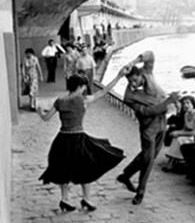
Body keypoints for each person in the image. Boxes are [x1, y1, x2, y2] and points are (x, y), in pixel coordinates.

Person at [37, 69, 127, 212]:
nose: (85, 89)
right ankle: (86, 199)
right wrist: (119, 76)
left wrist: (40, 111)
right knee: (86, 168)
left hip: (62, 139)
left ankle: (64, 199)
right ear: (79, 86)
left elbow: (46, 118)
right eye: (84, 86)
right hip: (78, 138)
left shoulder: (59, 101)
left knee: (63, 169)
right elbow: (104, 91)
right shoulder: (82, 99)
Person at [116, 50, 179, 205]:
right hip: (148, 128)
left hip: (162, 123)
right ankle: (140, 191)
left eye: (135, 80)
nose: (133, 84)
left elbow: (150, 54)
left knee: (149, 156)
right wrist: (168, 101)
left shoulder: (147, 72)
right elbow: (148, 111)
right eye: (130, 82)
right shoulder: (129, 97)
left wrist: (133, 61)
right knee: (148, 159)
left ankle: (126, 174)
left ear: (140, 75)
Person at [162, 95, 195, 172]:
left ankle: (171, 163)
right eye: (184, 103)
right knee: (176, 137)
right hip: (188, 135)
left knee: (179, 139)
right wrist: (177, 132)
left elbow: (194, 132)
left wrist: (179, 133)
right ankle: (171, 162)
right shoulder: (186, 114)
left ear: (193, 104)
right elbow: (184, 129)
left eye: (188, 103)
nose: (186, 105)